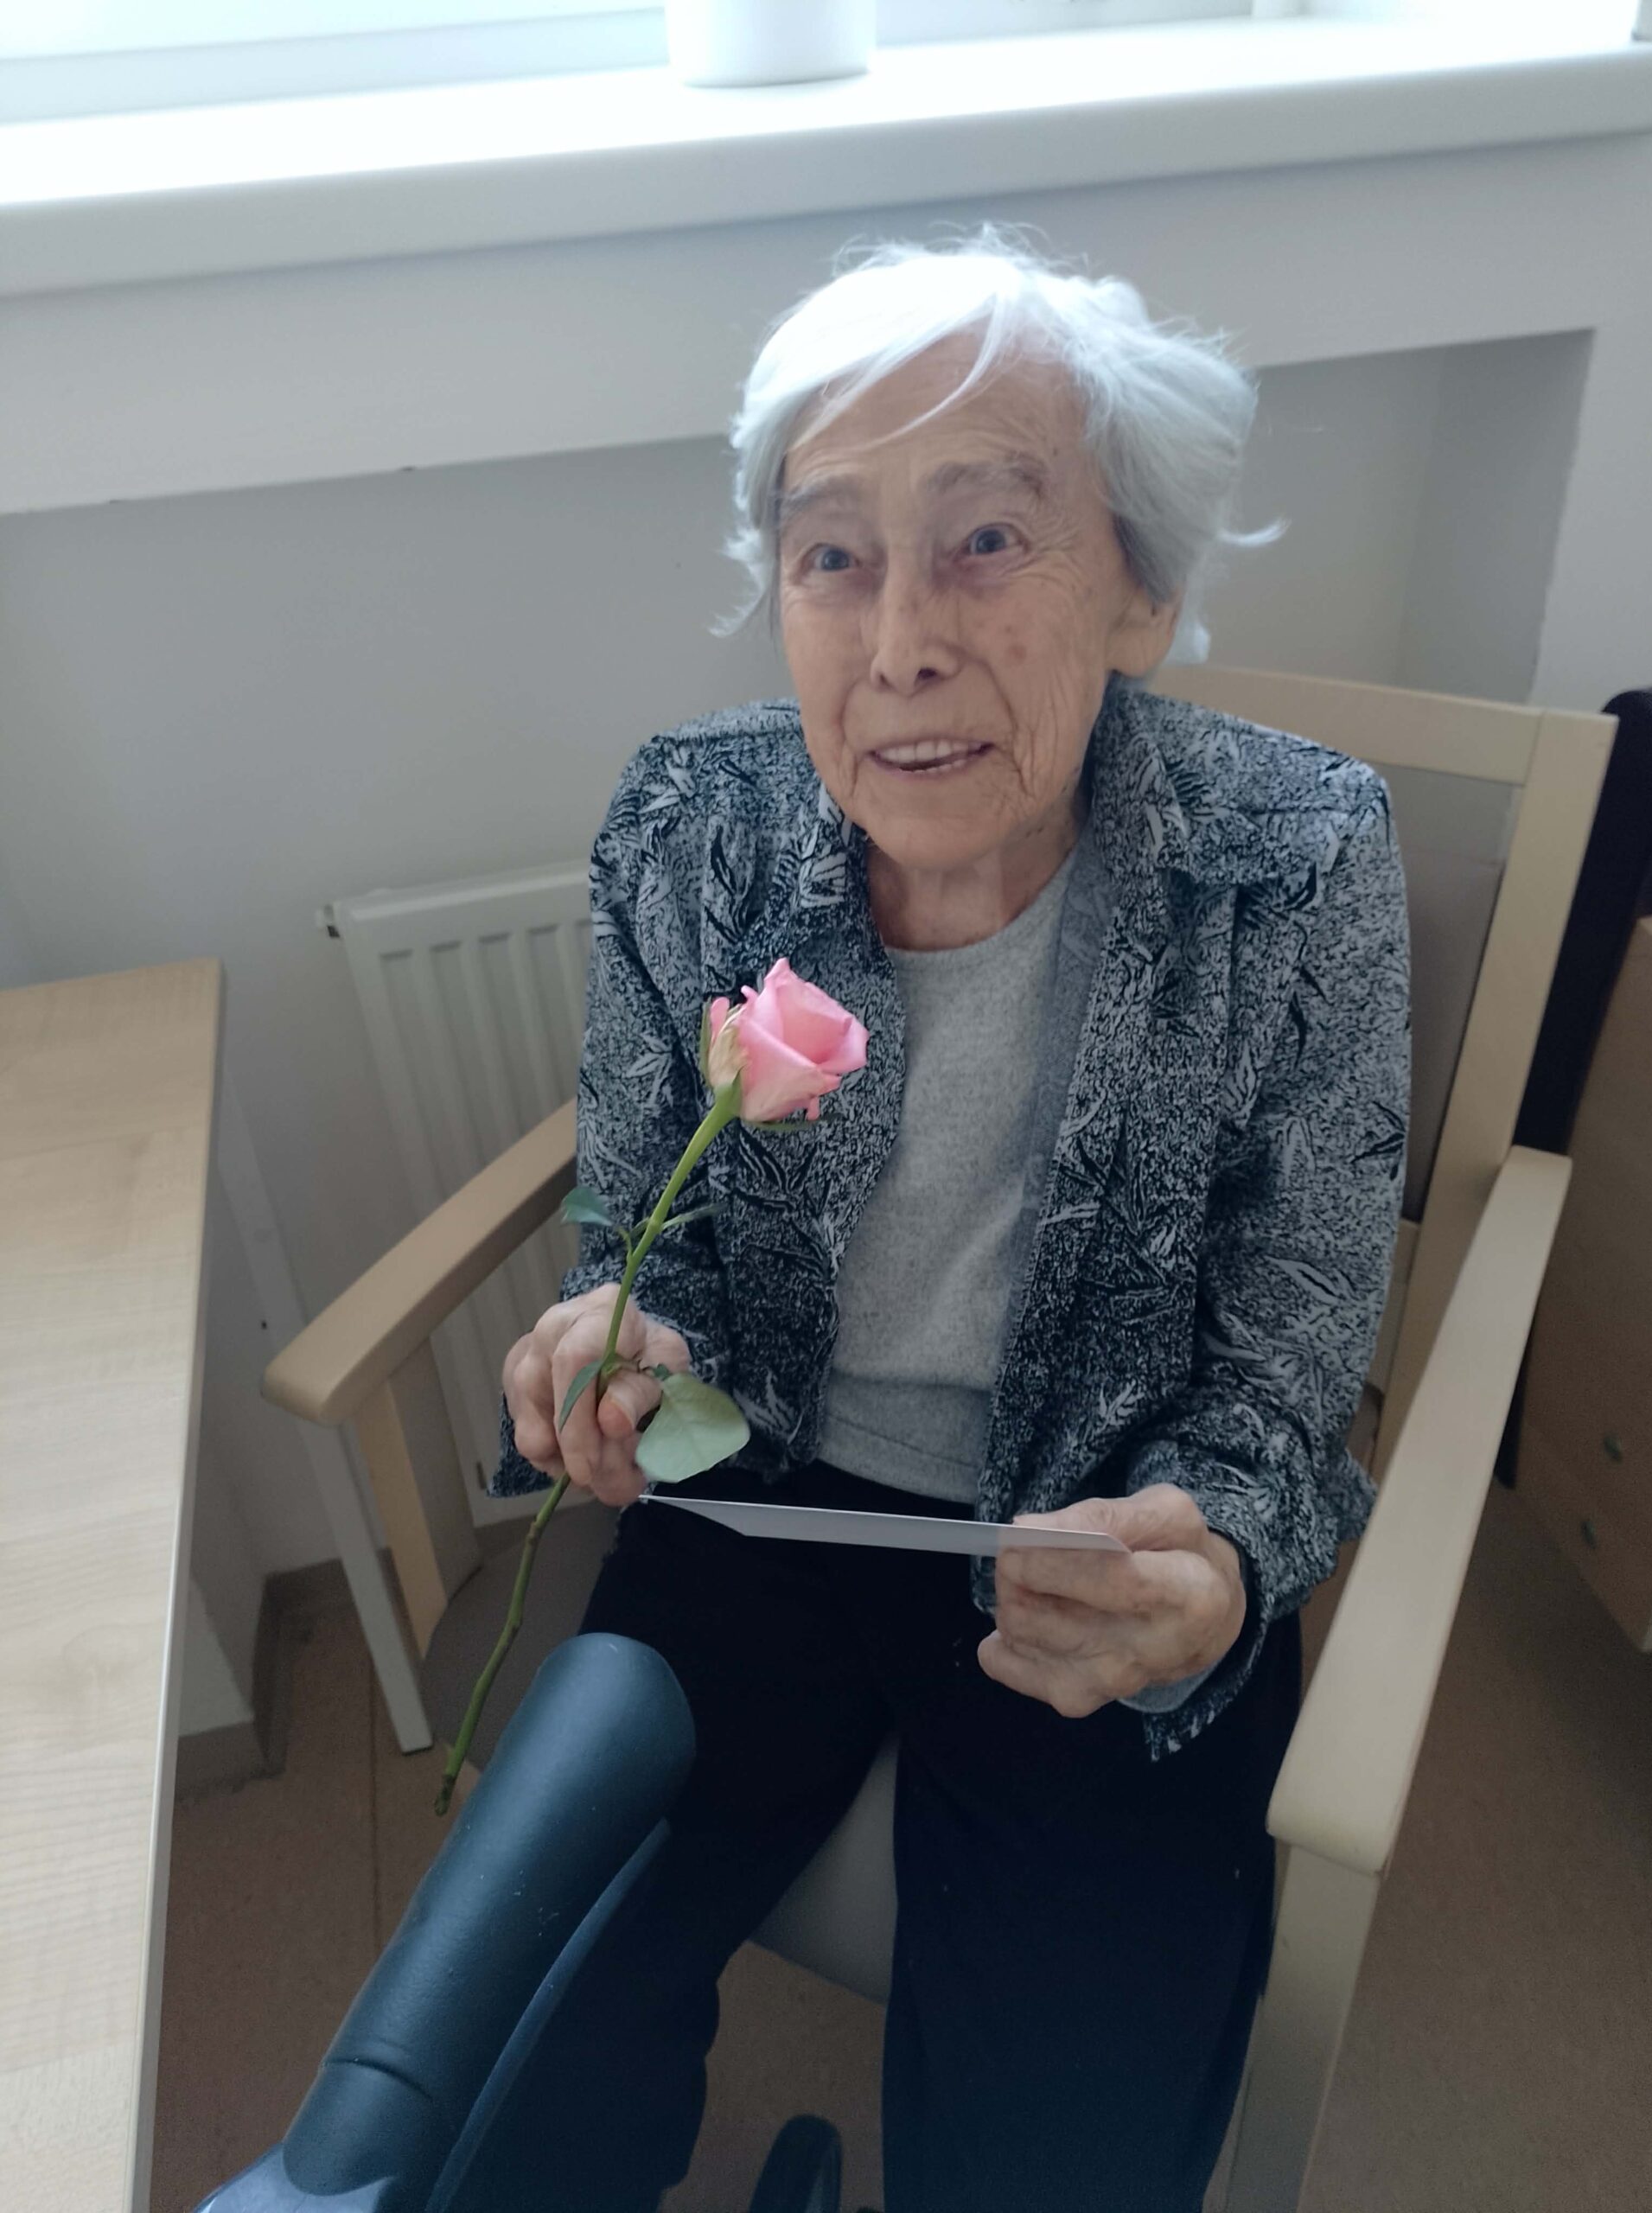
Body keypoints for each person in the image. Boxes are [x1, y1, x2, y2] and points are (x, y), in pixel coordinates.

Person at [481, 229, 1410, 2213]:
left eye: (987, 539)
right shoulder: (693, 826)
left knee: (1059, 2152)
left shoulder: (1298, 860)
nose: (900, 639)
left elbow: (1286, 1359)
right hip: (758, 1502)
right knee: (499, 2055)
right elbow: (642, 1226)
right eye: (834, 554)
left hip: (1086, 1533)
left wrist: (1218, 1560)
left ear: (1142, 586)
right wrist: (620, 1338)